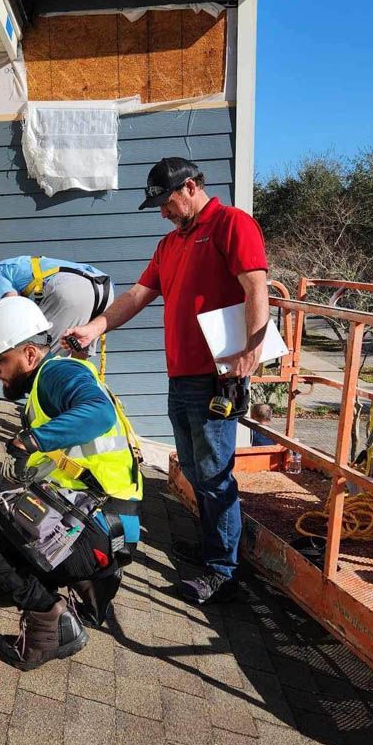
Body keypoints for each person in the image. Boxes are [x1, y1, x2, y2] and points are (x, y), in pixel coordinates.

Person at [64, 157, 269, 605]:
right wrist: (95, 328)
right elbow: (138, 296)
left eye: (165, 202)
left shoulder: (231, 224)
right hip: (180, 376)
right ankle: (216, 545)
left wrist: (250, 352)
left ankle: (223, 571)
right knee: (196, 470)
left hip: (217, 377)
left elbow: (255, 287)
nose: (162, 212)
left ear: (190, 187)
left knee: (215, 475)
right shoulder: (170, 245)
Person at [0, 296, 143, 669]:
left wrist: (32, 442)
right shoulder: (49, 377)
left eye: (1, 361)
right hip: (113, 527)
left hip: (90, 525)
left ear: (30, 354)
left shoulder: (60, 374)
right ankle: (86, 581)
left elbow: (98, 413)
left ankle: (48, 615)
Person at [0, 255, 113, 394]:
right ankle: (82, 397)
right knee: (79, 357)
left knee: (41, 359)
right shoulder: (16, 268)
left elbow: (12, 304)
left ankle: (50, 407)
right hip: (104, 291)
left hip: (70, 290)